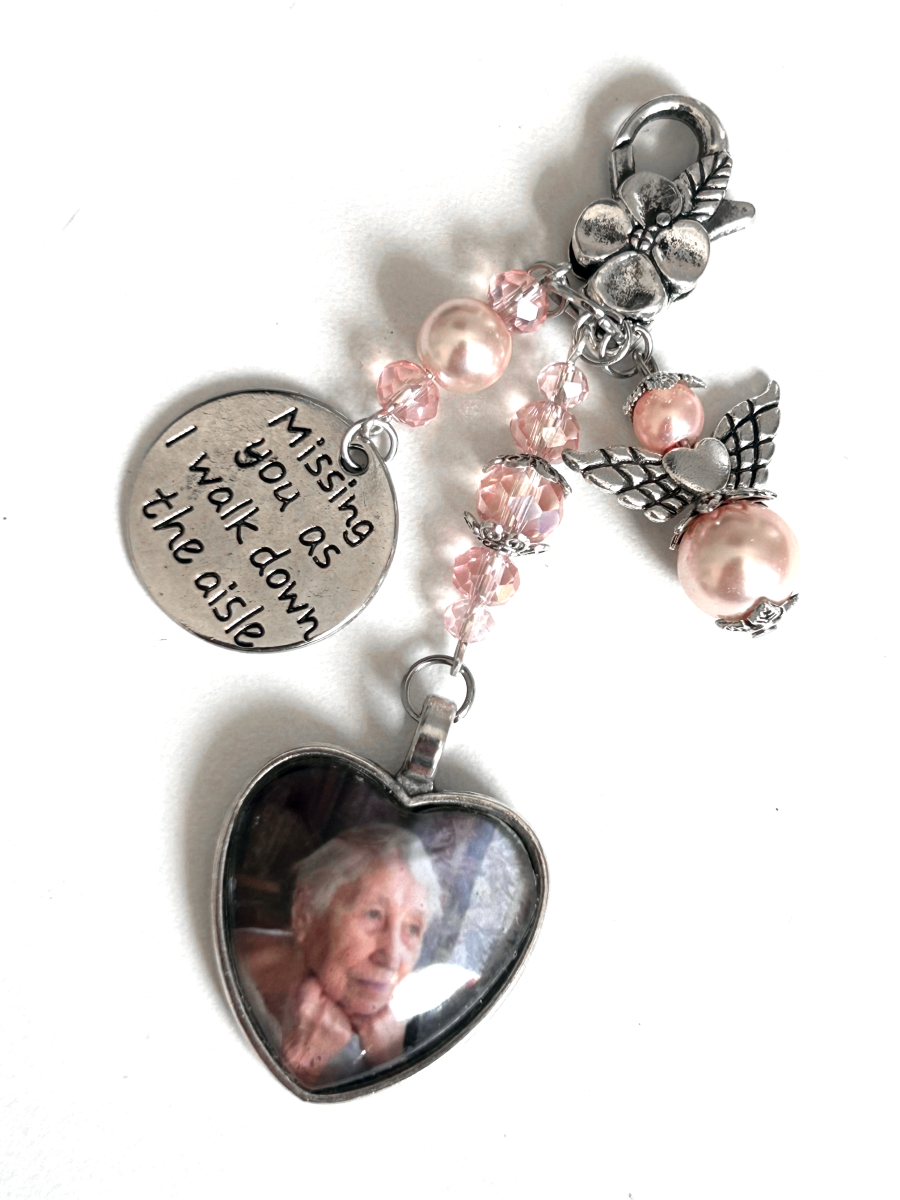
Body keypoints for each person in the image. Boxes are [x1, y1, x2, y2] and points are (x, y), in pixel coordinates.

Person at [235, 824, 442, 1088]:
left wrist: (390, 1063)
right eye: (373, 914)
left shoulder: (400, 1042)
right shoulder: (225, 967)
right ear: (304, 914)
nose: (392, 958)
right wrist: (300, 1064)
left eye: (412, 928)